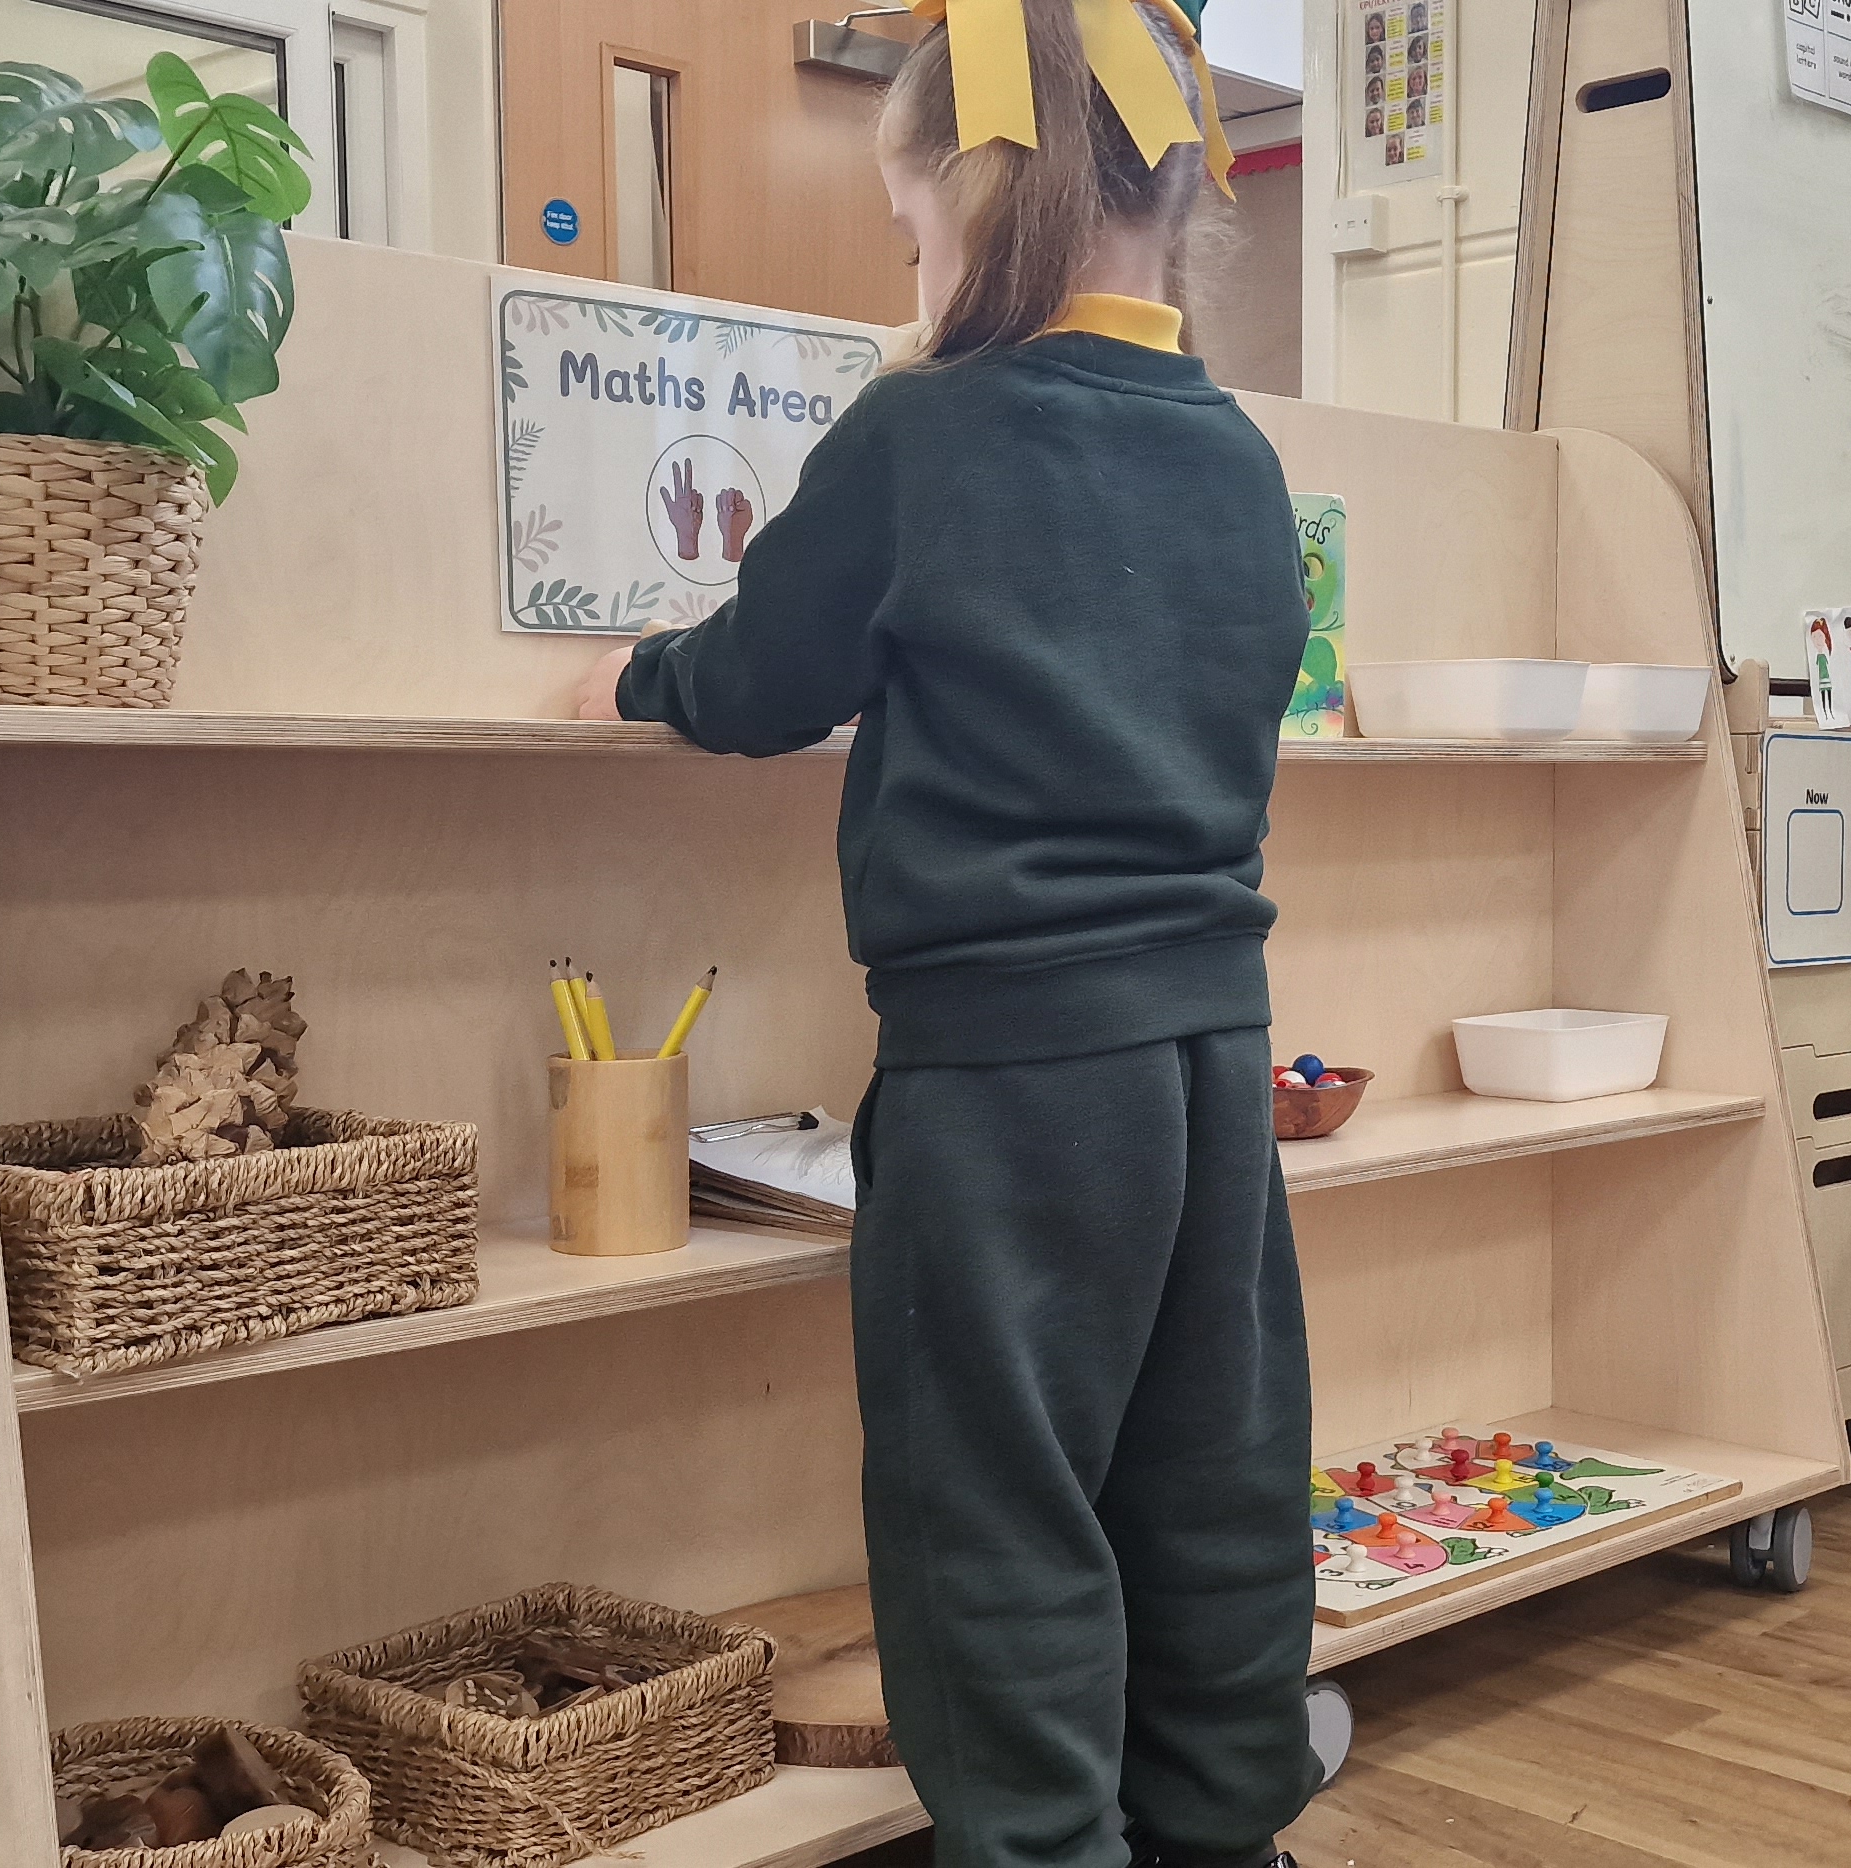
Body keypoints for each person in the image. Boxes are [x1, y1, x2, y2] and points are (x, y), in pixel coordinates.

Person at [575, 0, 1326, 1858]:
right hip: (1215, 1061)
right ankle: (1230, 1830)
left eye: (912, 232)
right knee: (1210, 1475)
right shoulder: (1236, 456)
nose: (908, 272)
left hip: (1008, 1074)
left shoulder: (927, 435)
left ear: (982, 208)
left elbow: (756, 678)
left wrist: (623, 682)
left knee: (991, 1504)